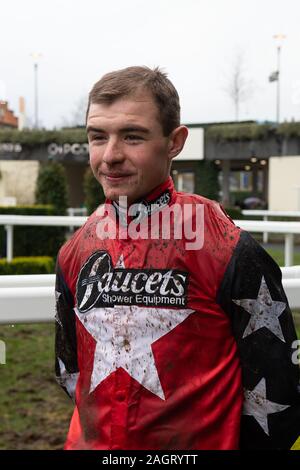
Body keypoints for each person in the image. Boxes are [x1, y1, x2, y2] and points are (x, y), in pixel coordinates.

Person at [55, 66, 299, 450]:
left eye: (133, 136)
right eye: (97, 137)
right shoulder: (74, 250)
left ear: (175, 141)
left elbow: (278, 397)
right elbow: (69, 373)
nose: (110, 155)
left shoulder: (229, 248)